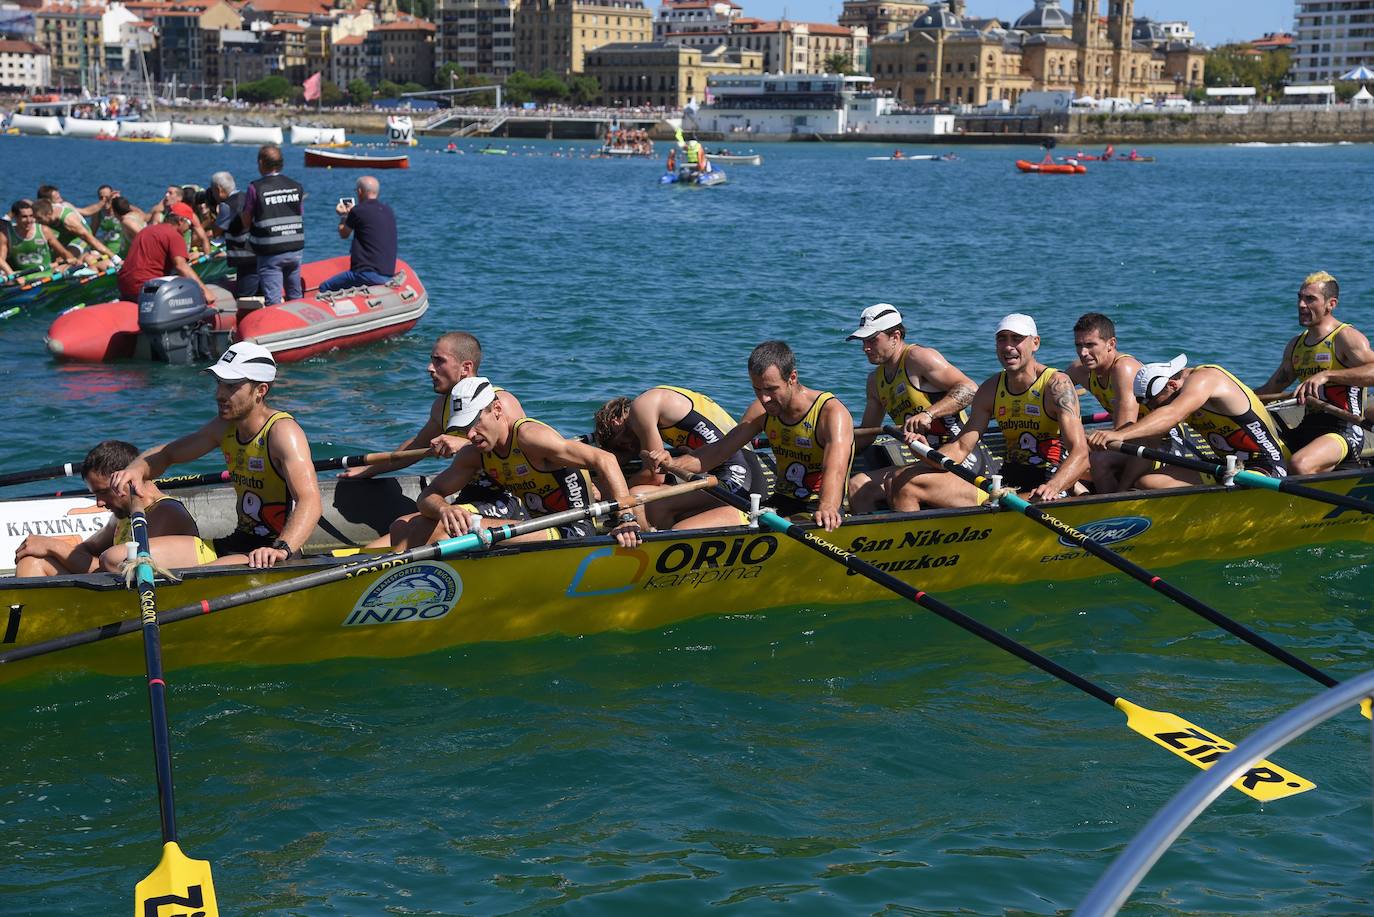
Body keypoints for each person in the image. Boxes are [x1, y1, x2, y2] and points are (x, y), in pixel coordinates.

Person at [110, 342, 322, 568]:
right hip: (237, 540)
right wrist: (136, 469)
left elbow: (310, 501)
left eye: (232, 386)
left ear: (260, 391)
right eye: (220, 383)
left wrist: (282, 548)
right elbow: (168, 454)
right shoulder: (224, 427)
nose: (219, 394)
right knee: (115, 559)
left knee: (200, 576)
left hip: (271, 550)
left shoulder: (282, 432)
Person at [391, 377, 644, 550]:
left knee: (439, 531)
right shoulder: (475, 453)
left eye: (475, 423)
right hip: (535, 525)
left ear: (498, 410)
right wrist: (444, 510)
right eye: (463, 428)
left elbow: (605, 459)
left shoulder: (529, 437)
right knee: (416, 524)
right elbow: (428, 496)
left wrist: (626, 518)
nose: (469, 435)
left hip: (572, 529)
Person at [646, 340, 854, 531]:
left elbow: (834, 470)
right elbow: (719, 450)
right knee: (682, 529)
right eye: (757, 389)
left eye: (771, 389)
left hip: (817, 510)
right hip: (776, 505)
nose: (764, 398)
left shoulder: (831, 413)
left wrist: (827, 506)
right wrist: (672, 462)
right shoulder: (762, 410)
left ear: (792, 378)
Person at [844, 303, 986, 512]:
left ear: (896, 336)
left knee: (901, 481)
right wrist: (826, 444)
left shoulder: (918, 358)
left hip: (962, 459)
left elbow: (970, 389)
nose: (866, 347)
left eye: (873, 340)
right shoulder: (875, 382)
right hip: (926, 459)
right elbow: (866, 435)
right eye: (864, 340)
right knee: (859, 485)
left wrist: (929, 414)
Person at [941, 314, 1090, 502]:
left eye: (1016, 339)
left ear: (1035, 343)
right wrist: (922, 453)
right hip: (1011, 475)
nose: (1008, 346)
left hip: (1051, 479)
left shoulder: (1057, 385)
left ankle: (1076, 490)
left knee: (1000, 503)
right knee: (913, 484)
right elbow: (961, 447)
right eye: (1002, 339)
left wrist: (1054, 485)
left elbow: (1081, 453)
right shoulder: (990, 389)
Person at [15, 440, 216, 576]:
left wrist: (54, 546)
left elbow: (120, 569)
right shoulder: (124, 514)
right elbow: (87, 549)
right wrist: (51, 548)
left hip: (161, 599)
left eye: (103, 492)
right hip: (120, 592)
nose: (99, 503)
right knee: (32, 561)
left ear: (127, 480)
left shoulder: (165, 513)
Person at [1087, 355, 1290, 483]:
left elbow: (1172, 413)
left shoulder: (1206, 378)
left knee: (1152, 483)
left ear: (1172, 386)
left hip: (1266, 467)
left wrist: (1119, 434)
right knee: (1147, 481)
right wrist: (1121, 493)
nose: (1157, 410)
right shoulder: (1174, 396)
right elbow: (1150, 443)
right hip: (1228, 464)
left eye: (1158, 405)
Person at [593, 386, 766, 530]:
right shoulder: (664, 404)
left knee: (639, 497)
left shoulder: (642, 407)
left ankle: (654, 548)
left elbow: (655, 476)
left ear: (615, 422)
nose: (630, 448)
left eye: (621, 444)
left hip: (739, 480)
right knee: (645, 497)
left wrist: (610, 493)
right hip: (745, 474)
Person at [1255, 271, 1374, 474]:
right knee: (1261, 459)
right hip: (1308, 425)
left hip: (1344, 429)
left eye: (1310, 299)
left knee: (1299, 465)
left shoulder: (1345, 338)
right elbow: (1269, 389)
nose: (1302, 305)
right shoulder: (1296, 345)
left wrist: (1327, 375)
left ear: (1331, 304)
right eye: (1300, 298)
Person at [1064, 312, 1149, 492]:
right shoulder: (1079, 370)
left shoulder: (1124, 369)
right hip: (1126, 442)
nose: (1083, 353)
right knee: (1061, 455)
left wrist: (1080, 438)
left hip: (1156, 444)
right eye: (1078, 345)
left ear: (1111, 344)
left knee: (1097, 460)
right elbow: (1048, 392)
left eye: (1090, 345)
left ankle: (1112, 511)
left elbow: (1123, 430)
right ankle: (1084, 501)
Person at [241, 143, 304, 305]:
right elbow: (299, 213)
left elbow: (246, 219)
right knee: (295, 296)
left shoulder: (256, 188)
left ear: (261, 163)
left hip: (270, 252)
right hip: (295, 249)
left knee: (273, 301)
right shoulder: (296, 186)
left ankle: (279, 327)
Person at [116, 202, 215, 303]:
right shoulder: (174, 235)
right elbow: (181, 266)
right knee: (188, 287)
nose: (189, 229)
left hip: (124, 286)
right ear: (181, 221)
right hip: (145, 288)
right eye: (189, 224)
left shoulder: (146, 230)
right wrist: (205, 291)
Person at [318, 175, 396, 292]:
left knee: (324, 287)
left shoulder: (358, 211)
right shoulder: (388, 210)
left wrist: (344, 215)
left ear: (359, 191)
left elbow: (343, 234)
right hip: (387, 274)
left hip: (365, 274)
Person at [206, 171, 256, 297]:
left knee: (245, 297)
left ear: (218, 189)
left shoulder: (226, 205)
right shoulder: (246, 197)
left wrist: (212, 212)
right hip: (259, 253)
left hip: (244, 257)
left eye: (213, 191)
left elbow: (216, 232)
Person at [0, 198, 73, 278]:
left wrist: (71, 262)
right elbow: (1, 260)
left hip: (47, 275)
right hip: (22, 276)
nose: (29, 220)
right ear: (16, 218)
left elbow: (65, 254)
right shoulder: (6, 234)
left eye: (31, 216)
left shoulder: (44, 231)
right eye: (24, 217)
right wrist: (10, 273)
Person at [33, 197, 115, 266]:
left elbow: (93, 241)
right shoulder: (42, 213)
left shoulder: (69, 220)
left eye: (39, 218)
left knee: (63, 260)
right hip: (64, 235)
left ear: (49, 214)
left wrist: (114, 257)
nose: (35, 221)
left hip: (79, 237)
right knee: (51, 258)